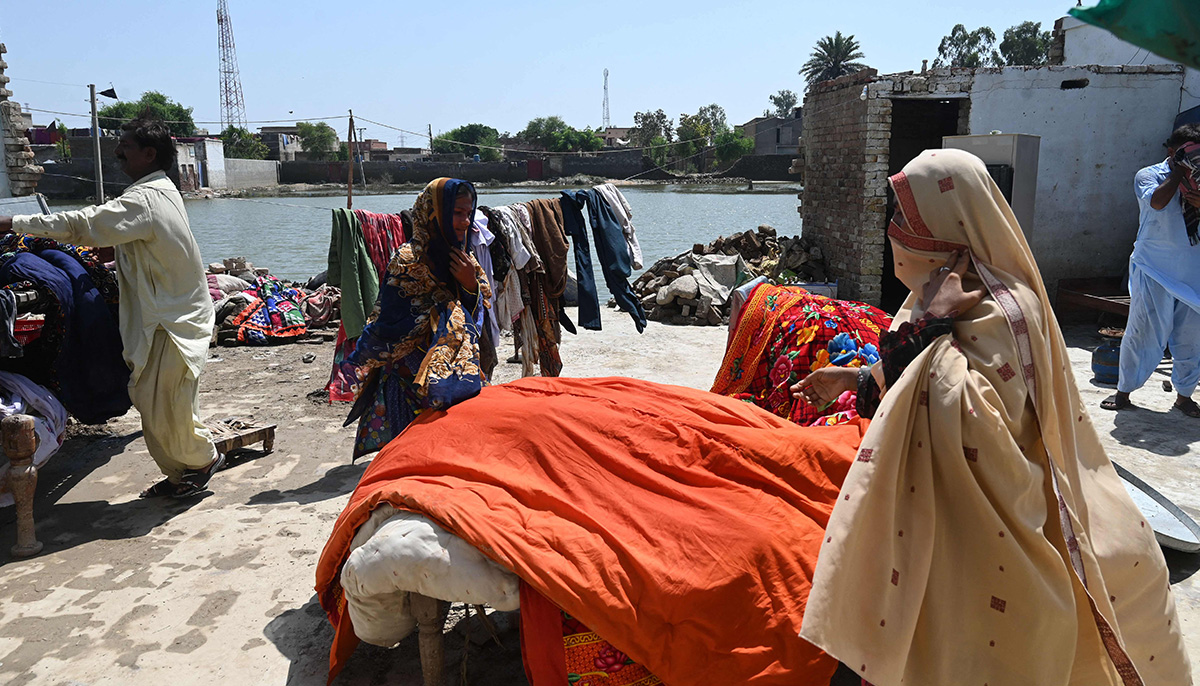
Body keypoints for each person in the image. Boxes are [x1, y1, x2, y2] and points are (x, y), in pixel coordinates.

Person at [792, 149, 1188, 685]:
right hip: (946, 508)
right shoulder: (941, 296)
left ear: (947, 223)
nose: (895, 232)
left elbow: (969, 417)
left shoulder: (999, 309)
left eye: (906, 219)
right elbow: (920, 380)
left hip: (992, 524)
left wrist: (927, 331)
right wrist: (864, 378)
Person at [0, 115, 219, 499]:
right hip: (172, 313)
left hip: (172, 320)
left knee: (166, 407)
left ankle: (200, 462)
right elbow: (116, 232)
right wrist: (116, 247)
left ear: (149, 153)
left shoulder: (145, 199)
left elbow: (83, 223)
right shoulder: (160, 190)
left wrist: (13, 223)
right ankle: (182, 471)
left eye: (126, 146)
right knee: (160, 403)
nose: (117, 152)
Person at [340, 178, 490, 459]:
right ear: (434, 213)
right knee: (415, 454)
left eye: (469, 213)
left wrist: (470, 286)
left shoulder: (464, 258)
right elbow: (392, 322)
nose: (466, 222)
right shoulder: (408, 259)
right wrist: (438, 316)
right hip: (409, 380)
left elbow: (478, 313)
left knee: (457, 447)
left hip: (454, 373)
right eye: (458, 212)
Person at [1103, 123, 1200, 416]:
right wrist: (1179, 175)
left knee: (1191, 336)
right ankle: (1124, 391)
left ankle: (1184, 396)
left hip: (1192, 270)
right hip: (1154, 266)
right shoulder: (1149, 175)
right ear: (1172, 151)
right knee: (1143, 332)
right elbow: (1157, 203)